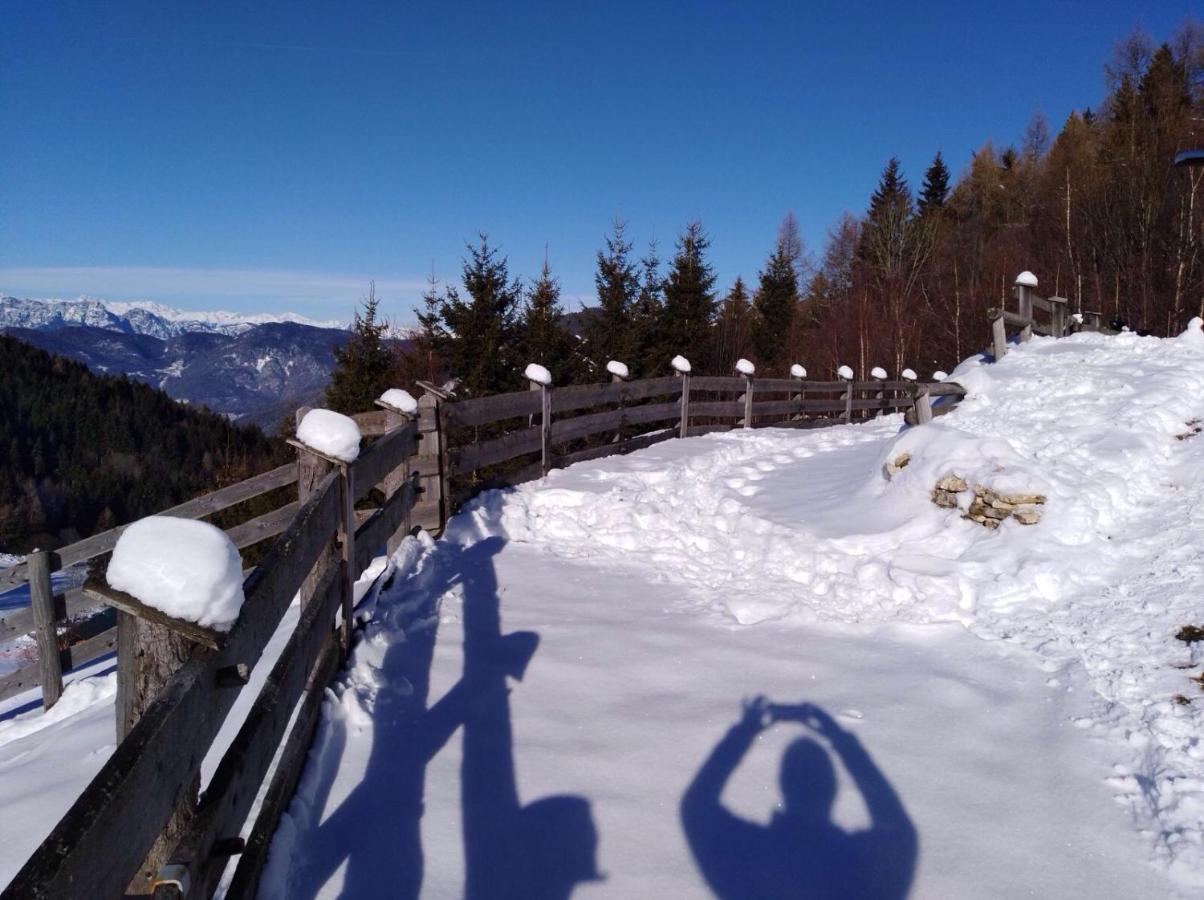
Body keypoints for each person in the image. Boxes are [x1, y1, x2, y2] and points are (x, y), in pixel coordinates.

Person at [681, 698, 917, 899]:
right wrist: (842, 741)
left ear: (784, 785)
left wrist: (743, 733)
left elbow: (696, 807)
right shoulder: (861, 867)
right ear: (833, 789)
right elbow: (899, 832)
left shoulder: (751, 859)